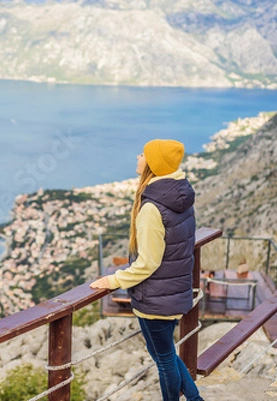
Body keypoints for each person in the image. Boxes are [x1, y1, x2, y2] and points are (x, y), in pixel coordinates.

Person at [90, 139, 204, 401]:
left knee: (164, 361)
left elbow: (148, 263)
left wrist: (113, 281)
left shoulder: (152, 208)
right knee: (167, 356)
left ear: (153, 164)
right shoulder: (179, 194)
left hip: (156, 298)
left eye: (143, 153)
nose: (138, 156)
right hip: (173, 292)